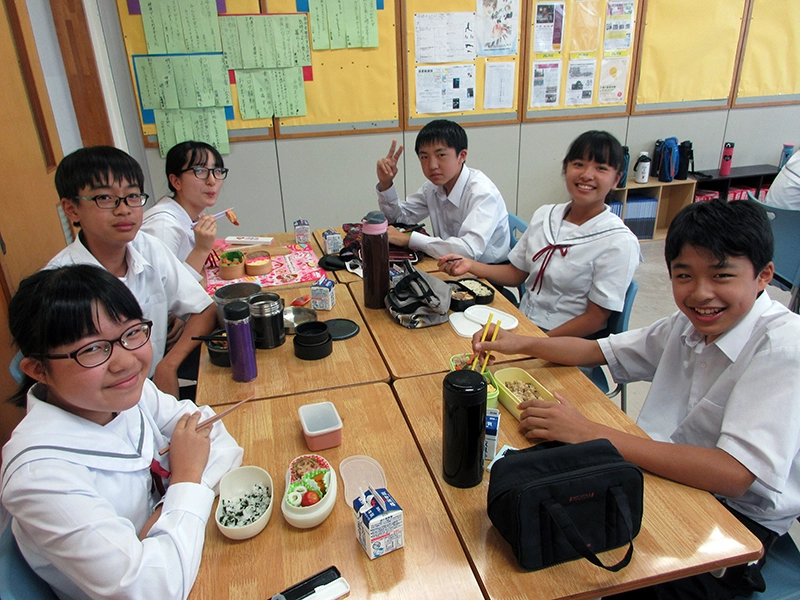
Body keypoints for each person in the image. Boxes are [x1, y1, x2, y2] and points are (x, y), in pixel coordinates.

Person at [473, 198, 800, 599]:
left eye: (721, 276)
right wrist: (519, 342)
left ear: (763, 275)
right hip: (661, 476)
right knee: (531, 517)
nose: (701, 294)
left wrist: (591, 433)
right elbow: (599, 350)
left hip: (734, 521)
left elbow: (733, 475)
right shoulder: (686, 326)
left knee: (570, 571)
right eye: (684, 275)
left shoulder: (783, 346)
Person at [1, 264, 243, 600]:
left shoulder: (122, 390)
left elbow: (217, 439)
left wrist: (164, 513)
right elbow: (153, 588)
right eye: (92, 349)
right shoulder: (40, 477)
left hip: (195, 560)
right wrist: (186, 477)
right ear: (38, 369)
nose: (125, 361)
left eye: (131, 333)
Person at [47, 146, 217, 398]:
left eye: (133, 196)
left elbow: (203, 308)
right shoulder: (59, 283)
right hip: (104, 401)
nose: (124, 209)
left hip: (152, 388)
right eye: (104, 198)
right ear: (71, 209)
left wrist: (168, 366)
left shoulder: (147, 247)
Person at [440, 130, 640, 338]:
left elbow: (595, 319)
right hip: (524, 323)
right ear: (565, 168)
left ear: (616, 179)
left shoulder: (618, 241)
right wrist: (470, 265)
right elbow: (517, 273)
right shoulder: (546, 215)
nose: (587, 175)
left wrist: (532, 343)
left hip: (568, 343)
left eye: (601, 168)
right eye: (579, 164)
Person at [375, 119, 510, 263]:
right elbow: (399, 218)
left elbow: (469, 250)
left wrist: (410, 239)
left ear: (462, 156)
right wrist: (386, 182)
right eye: (424, 157)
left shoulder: (482, 193)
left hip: (486, 274)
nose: (432, 165)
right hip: (448, 263)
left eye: (441, 155)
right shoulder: (432, 188)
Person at [141, 141, 229, 280]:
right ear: (176, 181)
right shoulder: (162, 226)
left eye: (217, 171)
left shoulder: (190, 216)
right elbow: (165, 292)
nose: (212, 180)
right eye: (199, 171)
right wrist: (201, 249)